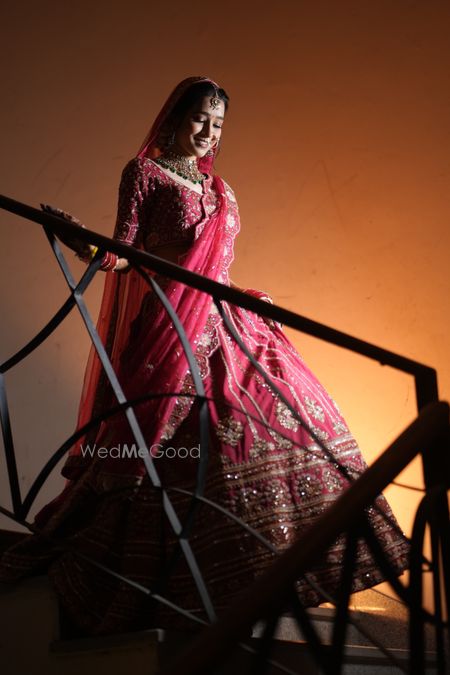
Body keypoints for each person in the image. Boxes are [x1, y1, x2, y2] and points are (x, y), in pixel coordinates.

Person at [0, 76, 409, 636]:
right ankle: (178, 580)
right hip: (172, 322)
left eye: (218, 124)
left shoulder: (223, 189)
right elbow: (126, 252)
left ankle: (265, 571)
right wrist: (83, 244)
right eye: (200, 119)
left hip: (227, 319)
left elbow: (218, 266)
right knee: (186, 436)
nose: (209, 132)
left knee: (284, 416)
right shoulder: (144, 173)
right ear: (174, 118)